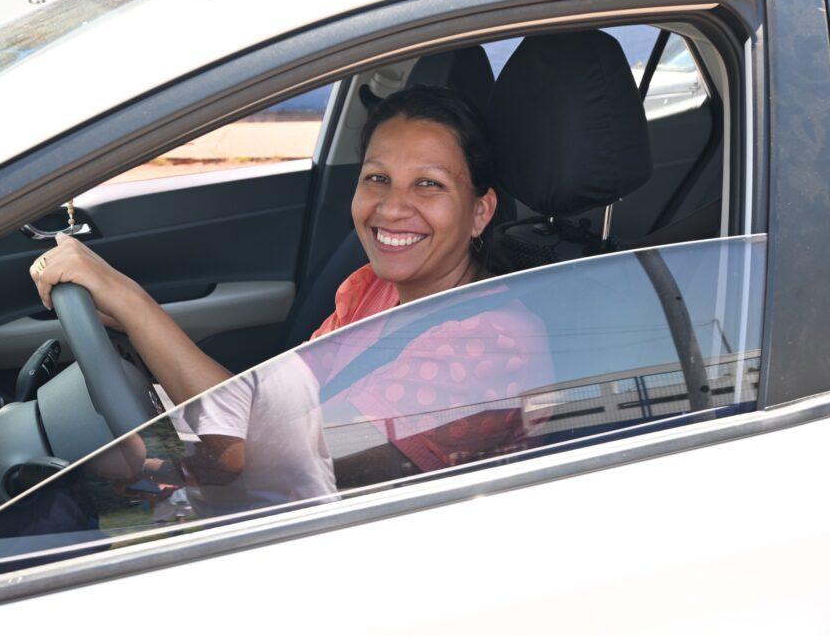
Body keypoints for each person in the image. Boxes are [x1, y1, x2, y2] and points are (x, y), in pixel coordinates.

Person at [29, 84, 549, 511]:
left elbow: (261, 459)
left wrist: (130, 300)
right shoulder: (373, 286)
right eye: (377, 178)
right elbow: (267, 414)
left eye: (428, 185)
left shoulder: (493, 344)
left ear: (480, 212)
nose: (392, 208)